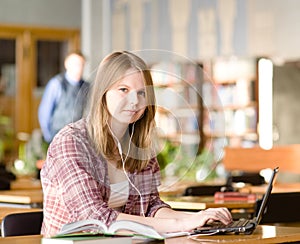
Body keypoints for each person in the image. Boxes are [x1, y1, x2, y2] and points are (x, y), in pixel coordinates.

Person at [40, 51, 232, 237]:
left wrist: (199, 218)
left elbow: (151, 207)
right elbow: (94, 220)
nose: (135, 101)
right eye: (123, 90)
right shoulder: (71, 142)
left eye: (141, 93)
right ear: (102, 92)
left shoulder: (139, 147)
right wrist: (180, 224)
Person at [38, 51, 89, 143]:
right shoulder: (57, 84)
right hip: (57, 137)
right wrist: (49, 138)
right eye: (76, 64)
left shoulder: (86, 86)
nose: (79, 67)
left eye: (82, 64)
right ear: (67, 64)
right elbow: (44, 112)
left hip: (78, 138)